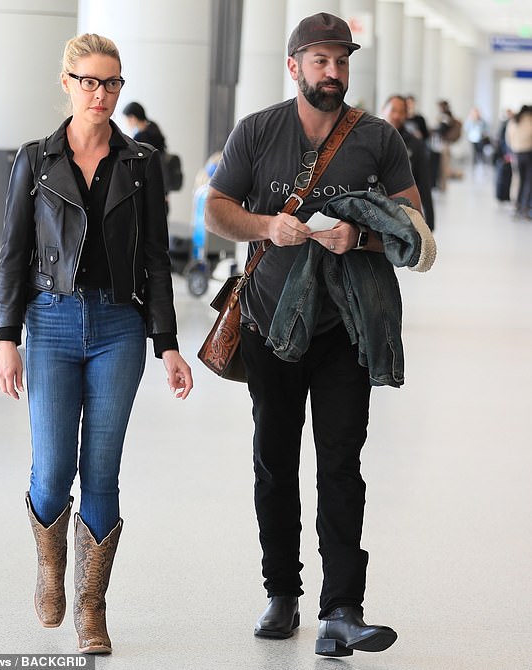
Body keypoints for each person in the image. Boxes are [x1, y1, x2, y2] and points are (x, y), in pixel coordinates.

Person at [205, 12, 433, 658]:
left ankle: (342, 608)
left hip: (344, 330)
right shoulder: (258, 132)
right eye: (320, 61)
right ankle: (282, 593)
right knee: (274, 463)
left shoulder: (377, 138)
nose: (332, 73)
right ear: (294, 65)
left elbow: (415, 226)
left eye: (341, 62)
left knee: (341, 464)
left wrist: (359, 236)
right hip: (268, 324)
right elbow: (218, 208)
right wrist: (264, 228)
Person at [0, 33, 193, 654]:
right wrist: (6, 337)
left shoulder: (141, 162)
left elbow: (156, 257)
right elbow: (12, 255)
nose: (101, 93)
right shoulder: (34, 159)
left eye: (111, 83)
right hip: (49, 322)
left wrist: (168, 343)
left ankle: (91, 607)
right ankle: (51, 570)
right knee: (51, 470)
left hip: (119, 329)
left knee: (101, 473)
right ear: (67, 82)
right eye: (89, 81)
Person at [382, 94, 435, 230]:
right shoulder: (371, 138)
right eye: (393, 110)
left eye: (401, 112)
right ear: (383, 109)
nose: (396, 116)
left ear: (406, 115)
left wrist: (429, 222)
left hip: (403, 213)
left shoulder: (415, 144)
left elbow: (424, 183)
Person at [505, 105, 532, 219]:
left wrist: (513, 149)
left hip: (515, 154)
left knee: (517, 180)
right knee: (528, 181)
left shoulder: (514, 120)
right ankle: (525, 208)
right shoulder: (530, 120)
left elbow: (508, 138)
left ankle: (515, 206)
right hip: (528, 154)